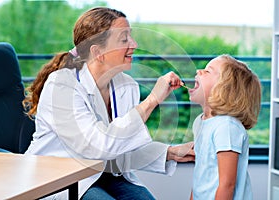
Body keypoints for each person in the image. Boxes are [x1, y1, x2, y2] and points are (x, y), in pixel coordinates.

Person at [23, 7, 195, 200]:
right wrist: (152, 101)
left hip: (104, 173)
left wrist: (170, 153)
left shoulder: (126, 86)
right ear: (98, 52)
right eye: (124, 39)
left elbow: (120, 150)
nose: (134, 44)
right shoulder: (61, 86)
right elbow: (97, 147)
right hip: (61, 178)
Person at [188, 54, 261, 200]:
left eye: (208, 71)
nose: (199, 71)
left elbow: (227, 185)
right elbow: (200, 176)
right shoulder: (200, 122)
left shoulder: (226, 127)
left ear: (225, 89)